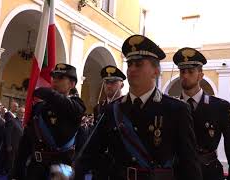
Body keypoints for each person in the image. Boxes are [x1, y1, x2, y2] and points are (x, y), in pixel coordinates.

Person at [85, 35, 202, 180]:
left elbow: (189, 163)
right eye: (129, 64)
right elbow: (91, 153)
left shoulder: (176, 109)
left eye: (139, 64)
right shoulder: (112, 110)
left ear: (156, 71)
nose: (132, 69)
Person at [12, 63, 86, 180]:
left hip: (62, 171)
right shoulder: (39, 108)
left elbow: (70, 107)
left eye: (60, 78)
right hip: (37, 169)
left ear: (72, 84)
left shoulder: (77, 105)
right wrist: (17, 172)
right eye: (54, 77)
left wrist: (48, 93)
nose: (55, 81)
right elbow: (26, 142)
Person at [173, 47, 230, 180]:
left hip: (208, 172)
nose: (185, 75)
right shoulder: (171, 107)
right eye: (182, 71)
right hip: (179, 172)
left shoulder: (219, 107)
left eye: (190, 71)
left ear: (200, 75)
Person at [3, 101, 23, 178]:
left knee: (16, 164)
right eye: (21, 112)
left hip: (19, 146)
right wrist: (8, 145)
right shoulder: (12, 121)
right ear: (18, 113)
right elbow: (8, 134)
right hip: (13, 146)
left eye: (24, 112)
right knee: (11, 164)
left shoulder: (21, 122)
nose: (22, 114)